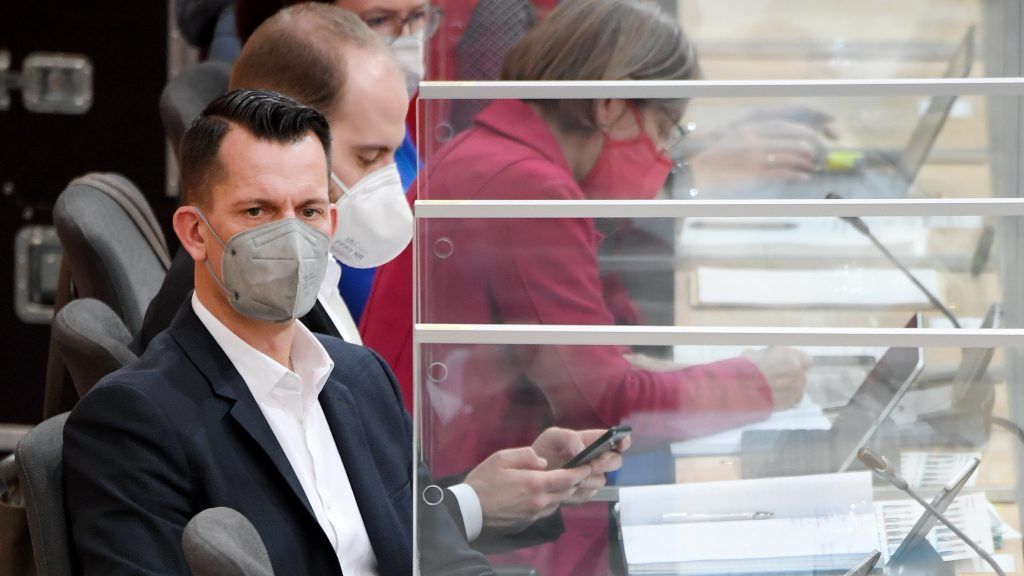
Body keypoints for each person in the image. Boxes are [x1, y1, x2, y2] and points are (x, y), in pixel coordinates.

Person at [141, 2, 621, 551]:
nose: (390, 184)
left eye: (394, 154)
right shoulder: (254, 297)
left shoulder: (319, 288)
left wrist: (481, 494)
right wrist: (471, 505)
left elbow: (357, 492)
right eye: (368, 157)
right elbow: (306, 529)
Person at [359, 0, 810, 572]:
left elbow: (580, 364)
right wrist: (755, 384)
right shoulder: (529, 186)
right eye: (663, 131)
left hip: (442, 481)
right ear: (610, 104)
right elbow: (603, 401)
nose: (662, 157)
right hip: (465, 512)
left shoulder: (500, 153)